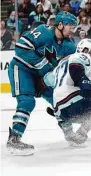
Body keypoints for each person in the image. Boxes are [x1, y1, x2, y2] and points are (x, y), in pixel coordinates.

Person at [6, 11, 78, 156]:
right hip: (22, 69)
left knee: (58, 99)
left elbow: (67, 68)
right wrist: (45, 67)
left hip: (43, 76)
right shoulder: (43, 32)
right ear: (60, 24)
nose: (73, 29)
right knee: (27, 102)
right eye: (70, 26)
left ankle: (70, 134)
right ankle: (14, 138)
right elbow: (21, 48)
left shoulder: (70, 46)